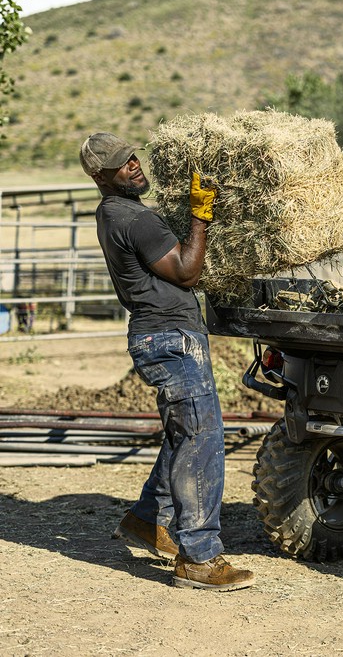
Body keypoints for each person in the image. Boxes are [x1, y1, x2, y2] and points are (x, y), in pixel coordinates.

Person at [80, 132, 254, 591]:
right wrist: (200, 218)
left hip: (159, 335)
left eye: (133, 156)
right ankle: (198, 556)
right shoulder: (133, 218)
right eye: (122, 164)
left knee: (186, 433)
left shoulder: (111, 212)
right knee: (202, 437)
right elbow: (186, 271)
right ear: (100, 176)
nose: (134, 165)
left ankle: (145, 518)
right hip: (171, 338)